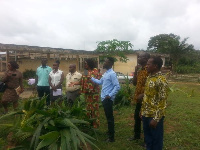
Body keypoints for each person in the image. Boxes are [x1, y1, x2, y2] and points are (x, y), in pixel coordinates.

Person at [141, 56, 168, 150]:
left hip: (155, 116)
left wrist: (156, 119)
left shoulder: (161, 80)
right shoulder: (149, 77)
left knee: (156, 141)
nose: (146, 66)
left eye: (148, 64)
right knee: (148, 140)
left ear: (155, 66)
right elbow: (146, 96)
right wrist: (142, 111)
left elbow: (163, 101)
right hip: (146, 114)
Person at [91, 57, 120, 142]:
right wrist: (91, 78)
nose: (104, 63)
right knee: (108, 117)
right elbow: (100, 82)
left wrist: (110, 95)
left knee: (110, 118)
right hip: (104, 98)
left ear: (110, 64)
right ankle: (109, 132)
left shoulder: (112, 74)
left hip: (108, 99)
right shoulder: (106, 73)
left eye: (106, 62)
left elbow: (117, 86)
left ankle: (111, 138)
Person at [128, 52, 150, 141]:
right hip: (138, 99)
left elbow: (150, 86)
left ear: (146, 59)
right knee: (137, 117)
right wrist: (136, 71)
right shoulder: (140, 70)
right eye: (139, 57)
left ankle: (147, 140)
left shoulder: (148, 70)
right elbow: (134, 83)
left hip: (146, 99)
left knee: (145, 119)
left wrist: (144, 94)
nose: (139, 58)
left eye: (141, 57)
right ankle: (136, 135)